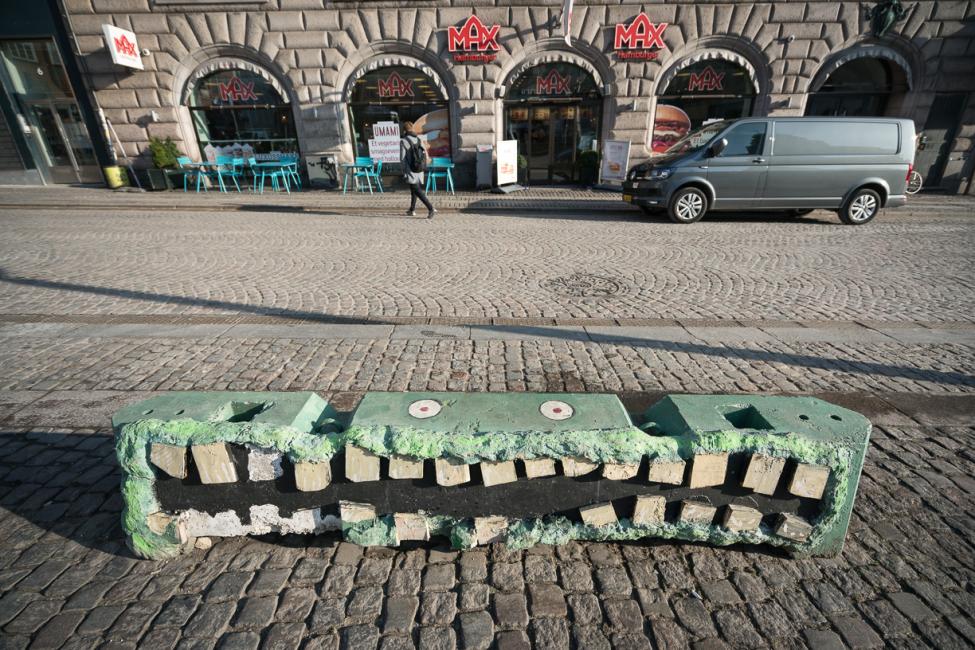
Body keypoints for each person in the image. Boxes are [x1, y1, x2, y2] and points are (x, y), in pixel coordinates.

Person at [400, 121, 436, 218]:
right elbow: (426, 154)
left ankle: (431, 208)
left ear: (404, 130)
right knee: (414, 189)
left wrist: (403, 171)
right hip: (419, 168)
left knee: (416, 189)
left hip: (410, 169)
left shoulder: (403, 141)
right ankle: (412, 210)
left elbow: (402, 158)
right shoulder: (419, 139)